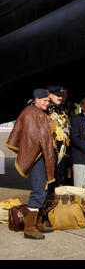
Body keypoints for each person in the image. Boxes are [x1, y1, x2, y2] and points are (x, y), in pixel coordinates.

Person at [6, 89, 55, 240]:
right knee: (39, 190)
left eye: (48, 101)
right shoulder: (30, 113)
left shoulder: (39, 113)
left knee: (44, 189)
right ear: (36, 100)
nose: (47, 103)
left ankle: (39, 222)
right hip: (35, 157)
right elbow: (33, 137)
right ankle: (29, 227)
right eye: (44, 100)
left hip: (42, 157)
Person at [47, 85, 71, 189]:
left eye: (61, 95)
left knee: (59, 175)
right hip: (51, 147)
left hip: (62, 146)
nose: (60, 98)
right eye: (57, 95)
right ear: (49, 95)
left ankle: (54, 199)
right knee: (49, 177)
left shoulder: (60, 108)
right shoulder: (45, 110)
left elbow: (65, 126)